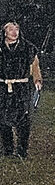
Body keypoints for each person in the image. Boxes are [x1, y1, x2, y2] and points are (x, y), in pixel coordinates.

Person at [0, 21, 42, 158]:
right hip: (3, 88)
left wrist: (37, 79)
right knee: (3, 119)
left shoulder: (28, 48)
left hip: (21, 88)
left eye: (16, 29)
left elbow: (35, 66)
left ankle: (22, 151)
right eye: (10, 29)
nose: (14, 32)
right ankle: (8, 149)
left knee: (23, 120)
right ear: (4, 32)